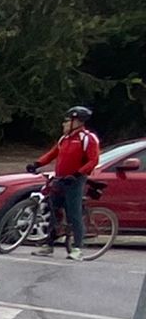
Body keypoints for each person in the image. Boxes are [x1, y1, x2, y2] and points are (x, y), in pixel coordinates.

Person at [31, 106, 100, 260]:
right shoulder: (64, 139)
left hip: (75, 180)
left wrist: (77, 174)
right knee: (54, 210)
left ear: (78, 122)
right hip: (60, 178)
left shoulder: (87, 138)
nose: (64, 124)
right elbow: (52, 154)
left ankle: (77, 248)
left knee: (73, 214)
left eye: (68, 121)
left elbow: (93, 160)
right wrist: (37, 163)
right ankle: (48, 245)